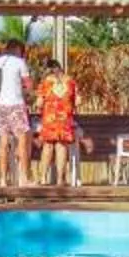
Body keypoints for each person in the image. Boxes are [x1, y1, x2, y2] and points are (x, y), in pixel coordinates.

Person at [0, 36, 34, 189]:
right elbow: (29, 85)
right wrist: (27, 93)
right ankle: (24, 179)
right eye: (22, 51)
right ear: (18, 49)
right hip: (16, 104)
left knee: (3, 142)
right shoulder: (19, 62)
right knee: (22, 140)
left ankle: (3, 180)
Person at [36, 59, 79, 188]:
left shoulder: (45, 83)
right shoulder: (71, 81)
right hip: (65, 118)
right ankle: (60, 179)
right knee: (62, 146)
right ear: (60, 68)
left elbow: (39, 103)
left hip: (49, 118)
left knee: (48, 147)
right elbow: (78, 102)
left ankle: (43, 178)